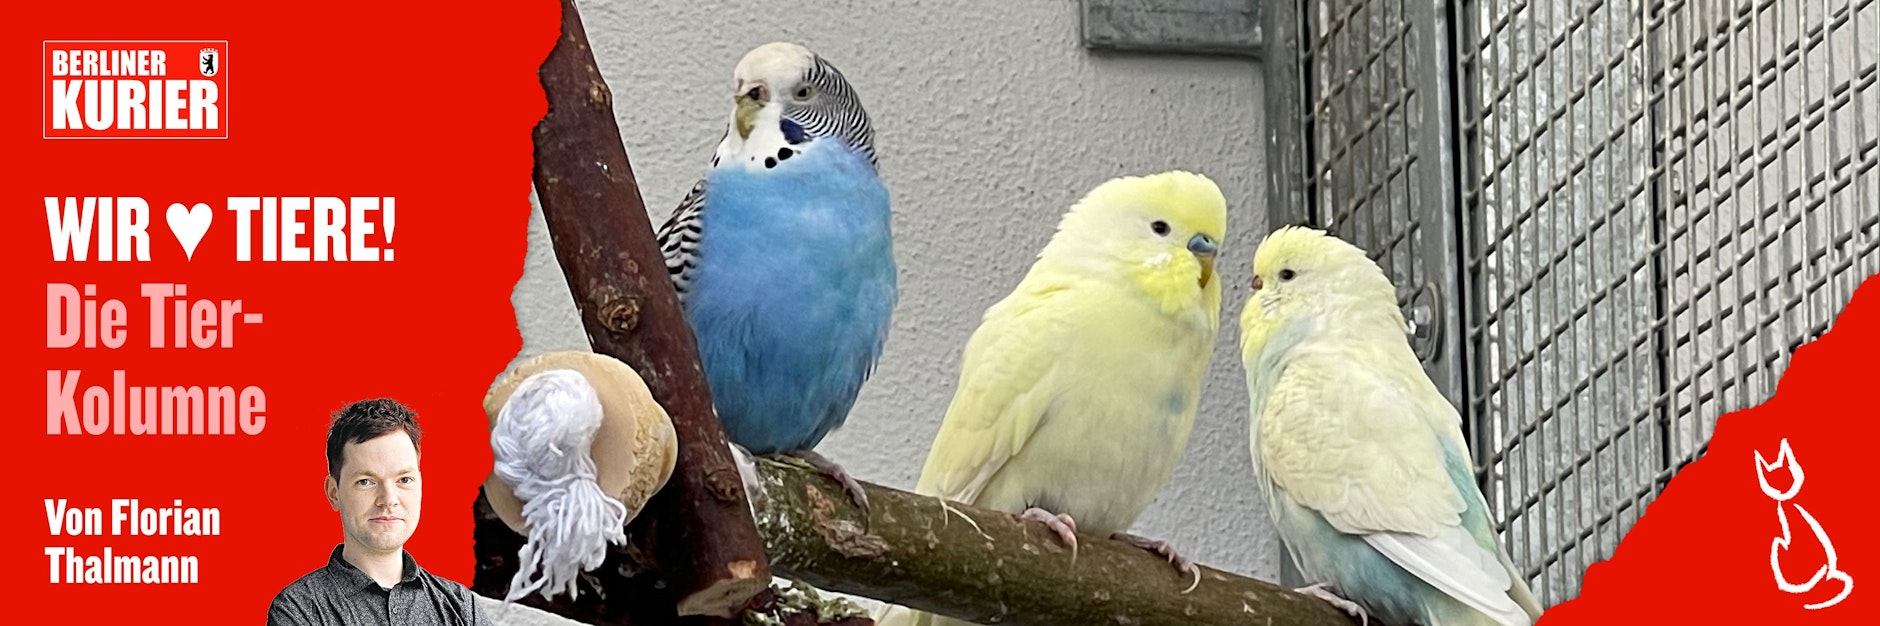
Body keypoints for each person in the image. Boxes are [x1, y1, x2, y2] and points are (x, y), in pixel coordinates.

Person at [268, 398, 486, 626]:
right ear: (334, 493)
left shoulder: (461, 605)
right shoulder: (299, 609)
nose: (388, 500)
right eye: (366, 481)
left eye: (404, 479)